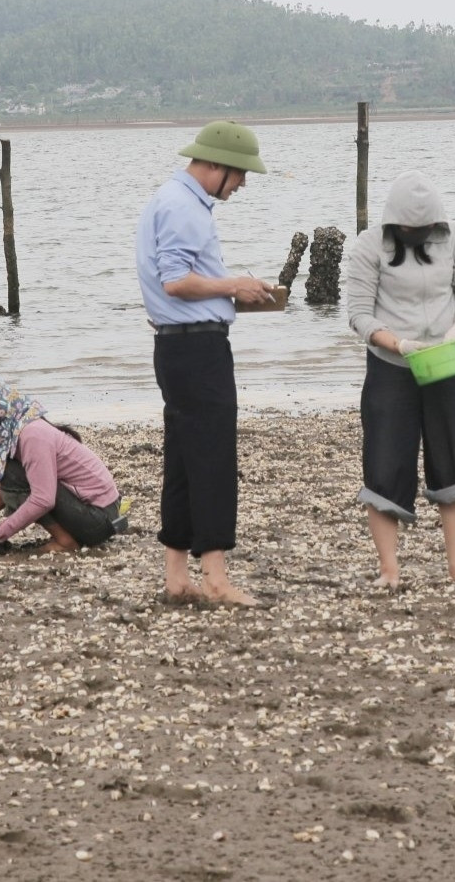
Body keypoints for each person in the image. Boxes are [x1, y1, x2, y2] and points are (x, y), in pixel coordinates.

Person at [133, 120, 275, 605]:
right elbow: (176, 280)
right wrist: (234, 284)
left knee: (183, 460)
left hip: (177, 345)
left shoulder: (171, 199)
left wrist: (234, 294)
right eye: (238, 174)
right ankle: (216, 577)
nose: (241, 184)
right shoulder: (183, 206)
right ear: (213, 165)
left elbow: (180, 282)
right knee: (212, 458)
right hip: (197, 350)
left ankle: (176, 575)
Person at [344, 171, 455, 589]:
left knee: (454, 461)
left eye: (423, 230)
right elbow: (358, 313)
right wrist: (399, 344)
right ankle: (390, 568)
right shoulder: (369, 246)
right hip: (391, 366)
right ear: (393, 223)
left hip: (444, 363)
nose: (415, 234)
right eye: (408, 229)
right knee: (386, 462)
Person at [0, 373, 129, 553]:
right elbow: (20, 481)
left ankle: (65, 542)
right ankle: (65, 537)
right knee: (14, 472)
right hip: (97, 514)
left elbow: (42, 499)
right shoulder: (19, 426)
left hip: (99, 520)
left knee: (14, 473)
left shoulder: (32, 435)